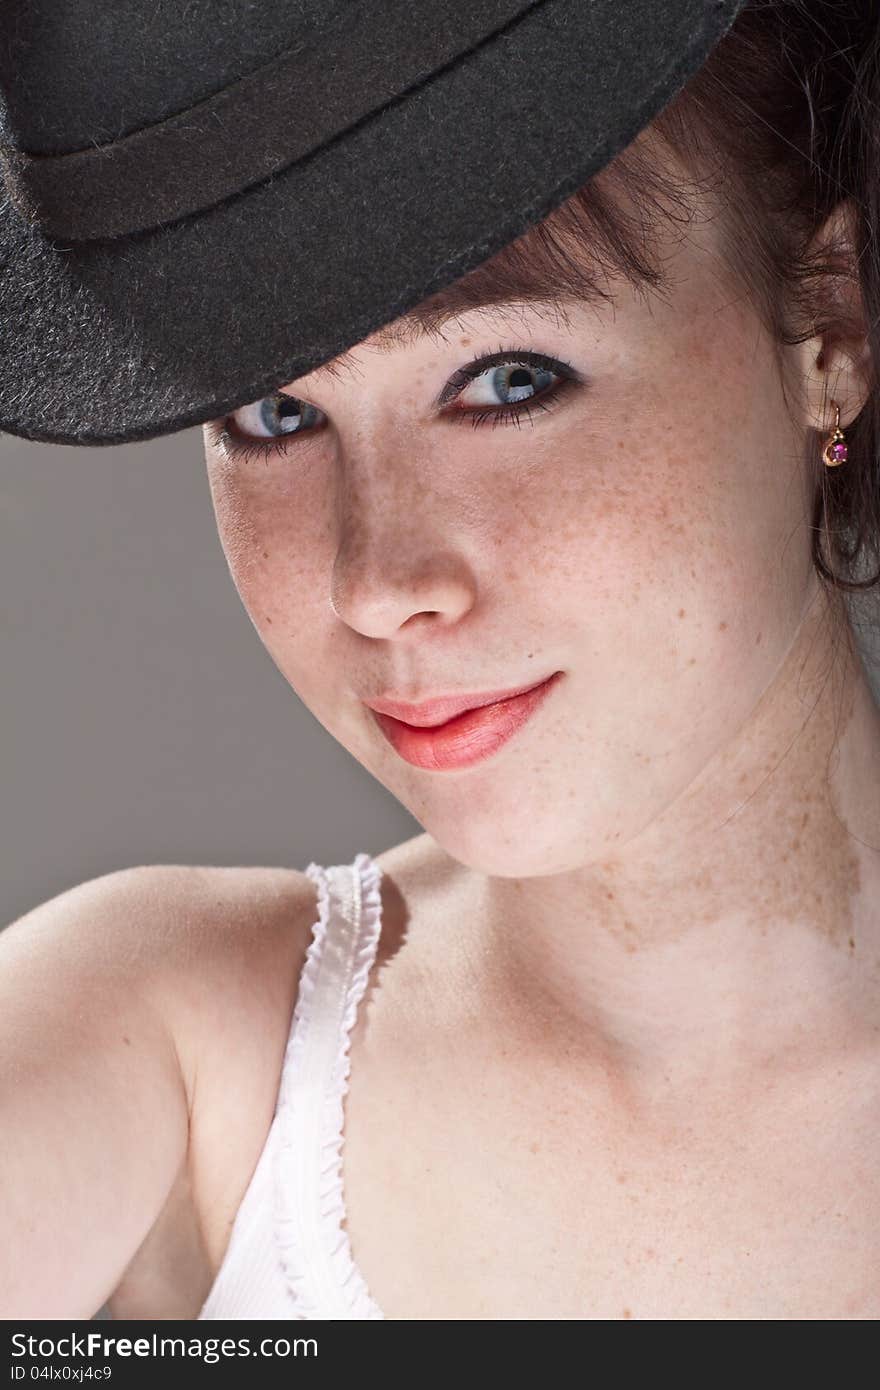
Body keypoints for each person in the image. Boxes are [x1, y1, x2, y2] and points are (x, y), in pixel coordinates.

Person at [1, 0, 879, 1320]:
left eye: (509, 378)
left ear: (832, 332)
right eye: (274, 410)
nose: (379, 582)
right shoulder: (159, 1072)